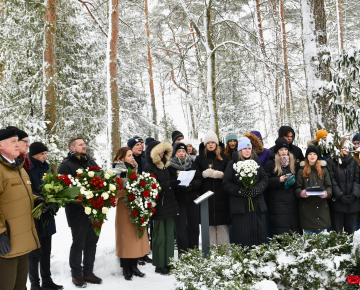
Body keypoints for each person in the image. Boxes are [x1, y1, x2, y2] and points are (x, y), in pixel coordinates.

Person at [57, 137, 102, 287]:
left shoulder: (91, 162)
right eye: (81, 144)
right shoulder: (65, 166)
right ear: (72, 148)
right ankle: (76, 274)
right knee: (79, 243)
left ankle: (88, 272)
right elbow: (63, 191)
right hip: (77, 212)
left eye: (84, 144)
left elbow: (102, 180)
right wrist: (82, 197)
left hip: (96, 209)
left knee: (92, 242)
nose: (84, 146)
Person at [0, 128, 40, 290]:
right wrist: (1, 233)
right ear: (1, 146)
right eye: (13, 141)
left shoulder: (19, 168)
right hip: (7, 242)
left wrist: (39, 201)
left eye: (19, 141)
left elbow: (22, 196)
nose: (19, 145)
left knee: (20, 286)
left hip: (23, 240)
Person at [28, 142, 62, 290]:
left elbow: (56, 188)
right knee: (34, 252)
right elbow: (28, 191)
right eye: (42, 154)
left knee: (46, 250)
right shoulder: (27, 168)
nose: (44, 156)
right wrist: (40, 200)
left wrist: (54, 204)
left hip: (47, 214)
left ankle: (47, 280)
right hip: (34, 215)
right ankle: (35, 284)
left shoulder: (48, 168)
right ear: (34, 154)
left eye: (45, 154)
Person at [223, 137, 268, 246]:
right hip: (240, 208)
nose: (247, 151)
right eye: (244, 148)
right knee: (243, 237)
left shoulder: (256, 162)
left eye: (249, 148)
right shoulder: (232, 164)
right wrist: (240, 191)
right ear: (240, 150)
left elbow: (265, 179)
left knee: (259, 236)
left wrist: (256, 189)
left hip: (256, 205)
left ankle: (260, 259)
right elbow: (226, 183)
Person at [112, 147, 149, 280]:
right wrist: (130, 190)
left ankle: (134, 266)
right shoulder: (116, 171)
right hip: (124, 209)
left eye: (132, 155)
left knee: (135, 237)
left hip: (136, 207)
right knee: (125, 238)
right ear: (121, 158)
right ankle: (126, 268)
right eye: (129, 155)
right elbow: (114, 193)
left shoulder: (134, 168)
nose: (132, 157)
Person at [143, 141, 179, 275]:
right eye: (160, 151)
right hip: (158, 206)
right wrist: (171, 183)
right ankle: (159, 264)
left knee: (169, 235)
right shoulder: (149, 167)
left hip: (168, 204)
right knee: (159, 236)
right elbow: (152, 186)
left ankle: (168, 262)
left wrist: (173, 181)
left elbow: (165, 182)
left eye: (164, 151)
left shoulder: (163, 165)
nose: (163, 153)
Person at [195, 131, 230, 246]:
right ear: (205, 145)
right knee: (208, 226)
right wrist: (203, 174)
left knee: (222, 226)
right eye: (208, 143)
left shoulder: (224, 158)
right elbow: (195, 177)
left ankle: (224, 254)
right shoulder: (199, 159)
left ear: (216, 144)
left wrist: (221, 175)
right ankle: (210, 254)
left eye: (213, 142)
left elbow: (230, 175)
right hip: (206, 199)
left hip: (222, 198)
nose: (210, 145)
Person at [168, 142, 201, 255]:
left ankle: (194, 250)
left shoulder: (192, 163)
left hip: (192, 198)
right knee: (181, 227)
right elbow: (169, 183)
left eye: (183, 151)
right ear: (175, 152)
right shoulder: (170, 165)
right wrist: (179, 186)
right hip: (179, 199)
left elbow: (199, 179)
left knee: (194, 226)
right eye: (179, 151)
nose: (181, 153)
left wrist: (193, 185)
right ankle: (183, 252)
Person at [264, 138, 301, 237]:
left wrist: (294, 181)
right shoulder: (270, 164)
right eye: (281, 150)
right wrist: (278, 180)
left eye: (285, 149)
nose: (284, 152)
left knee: (294, 229)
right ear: (277, 151)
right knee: (280, 230)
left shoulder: (294, 163)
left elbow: (301, 180)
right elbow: (265, 181)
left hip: (293, 202)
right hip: (277, 203)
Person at [295, 146, 332, 234]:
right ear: (306, 156)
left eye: (314, 154)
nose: (312, 156)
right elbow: (297, 189)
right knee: (309, 243)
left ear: (317, 156)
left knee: (322, 243)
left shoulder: (324, 170)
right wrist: (302, 193)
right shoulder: (301, 171)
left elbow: (329, 186)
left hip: (322, 209)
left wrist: (326, 193)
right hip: (307, 210)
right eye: (310, 154)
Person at [326, 139, 360, 234]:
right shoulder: (330, 161)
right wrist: (340, 196)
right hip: (337, 202)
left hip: (352, 202)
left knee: (351, 233)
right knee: (337, 234)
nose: (346, 148)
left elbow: (357, 180)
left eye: (348, 146)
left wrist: (353, 195)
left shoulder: (354, 161)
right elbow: (331, 181)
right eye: (344, 146)